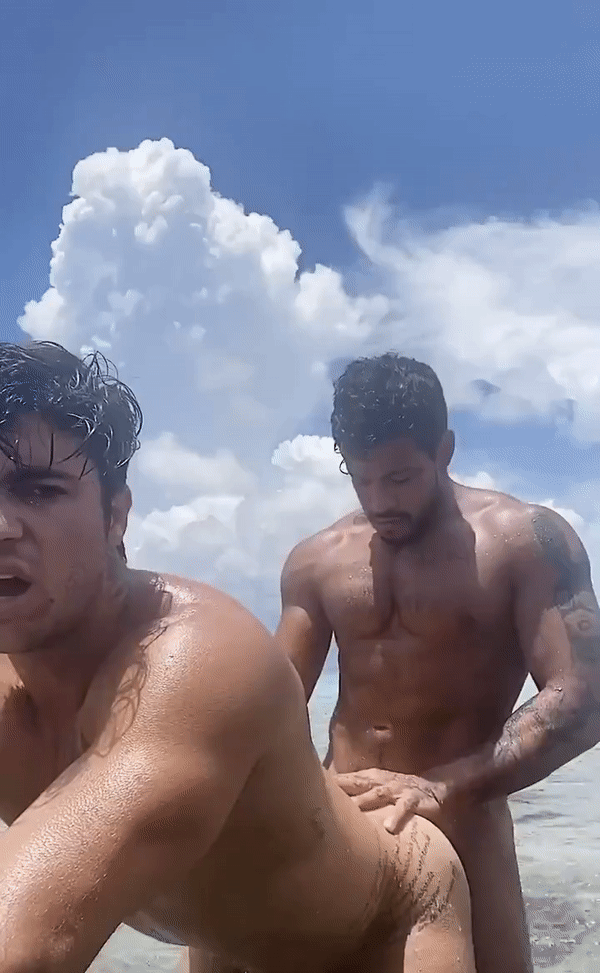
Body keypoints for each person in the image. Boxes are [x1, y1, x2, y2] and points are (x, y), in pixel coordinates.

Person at [0, 341, 475, 973]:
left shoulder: (195, 657)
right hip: (226, 934)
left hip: (388, 917)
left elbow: (25, 946)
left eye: (39, 489)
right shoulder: (314, 566)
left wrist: (451, 780)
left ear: (116, 514)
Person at [277, 352, 600, 973]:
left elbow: (584, 696)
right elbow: (269, 700)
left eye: (400, 478)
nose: (380, 501)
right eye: (361, 478)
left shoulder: (523, 541)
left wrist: (442, 786)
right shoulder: (316, 561)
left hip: (464, 817)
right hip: (342, 819)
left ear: (444, 450)